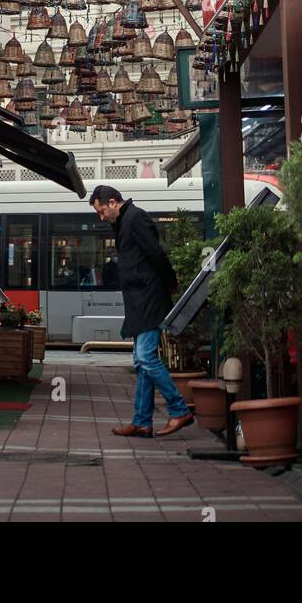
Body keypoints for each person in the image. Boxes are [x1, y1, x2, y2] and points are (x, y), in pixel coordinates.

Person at [90, 184, 193, 438]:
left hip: (149, 298)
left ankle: (179, 410)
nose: (102, 217)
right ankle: (142, 422)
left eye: (102, 210)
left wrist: (170, 282)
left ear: (113, 202)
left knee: (145, 357)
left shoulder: (135, 217)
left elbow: (156, 253)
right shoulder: (125, 221)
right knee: (141, 361)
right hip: (139, 300)